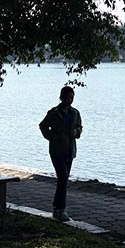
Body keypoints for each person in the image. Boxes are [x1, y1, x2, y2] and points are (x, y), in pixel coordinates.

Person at [38, 86, 82, 222]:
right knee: (63, 177)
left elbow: (80, 127)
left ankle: (57, 207)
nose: (70, 100)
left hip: (70, 150)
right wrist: (52, 137)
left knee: (63, 179)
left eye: (72, 98)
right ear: (62, 97)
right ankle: (61, 209)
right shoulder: (53, 113)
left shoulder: (75, 113)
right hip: (56, 150)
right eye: (68, 97)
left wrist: (76, 132)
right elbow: (43, 125)